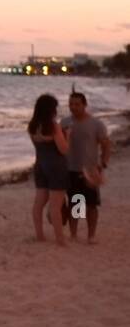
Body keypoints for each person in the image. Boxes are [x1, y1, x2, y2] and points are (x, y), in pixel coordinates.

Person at [61, 91, 112, 244]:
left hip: (90, 170)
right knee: (75, 203)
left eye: (77, 104)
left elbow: (106, 145)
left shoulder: (96, 124)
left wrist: (102, 164)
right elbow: (58, 145)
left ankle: (91, 236)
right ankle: (74, 235)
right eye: (71, 104)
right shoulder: (64, 122)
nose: (73, 107)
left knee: (91, 204)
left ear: (84, 105)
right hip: (70, 168)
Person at [28, 94, 69, 247]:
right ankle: (60, 239)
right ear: (51, 109)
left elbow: (38, 146)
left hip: (40, 165)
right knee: (55, 205)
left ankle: (40, 235)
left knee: (39, 202)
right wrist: (68, 136)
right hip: (56, 166)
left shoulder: (32, 126)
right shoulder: (53, 126)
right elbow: (63, 149)